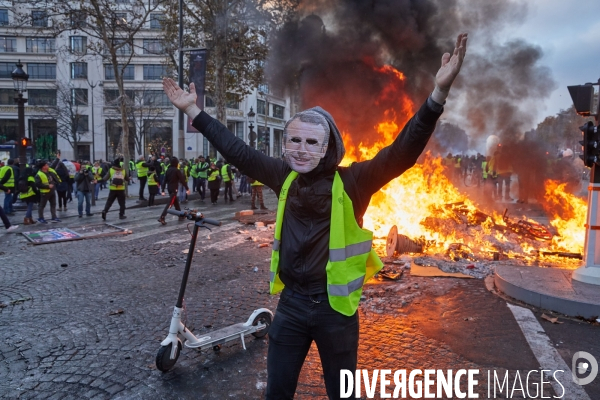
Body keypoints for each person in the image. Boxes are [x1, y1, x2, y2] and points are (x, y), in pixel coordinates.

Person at [163, 32, 467, 399]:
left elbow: (402, 151)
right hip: (290, 307)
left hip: (335, 313)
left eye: (312, 142)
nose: (302, 149)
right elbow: (237, 151)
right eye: (295, 140)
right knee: (277, 392)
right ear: (285, 145)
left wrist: (437, 97)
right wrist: (194, 111)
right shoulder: (282, 177)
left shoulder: (353, 181)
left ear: (327, 148)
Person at [157, 157, 189, 225]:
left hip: (169, 188)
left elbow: (164, 180)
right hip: (174, 188)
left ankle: (180, 215)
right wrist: (187, 188)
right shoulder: (176, 171)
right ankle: (162, 217)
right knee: (170, 204)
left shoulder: (168, 170)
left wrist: (162, 190)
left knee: (175, 202)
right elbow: (182, 180)